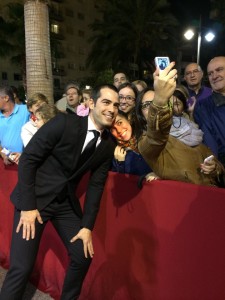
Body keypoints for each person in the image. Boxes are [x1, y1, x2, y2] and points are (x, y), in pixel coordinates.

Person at [0, 84, 120, 300]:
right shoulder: (64, 122)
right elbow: (28, 159)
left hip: (64, 203)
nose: (112, 108)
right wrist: (28, 207)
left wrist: (86, 227)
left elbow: (96, 185)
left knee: (82, 255)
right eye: (106, 102)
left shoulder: (108, 143)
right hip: (34, 198)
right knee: (21, 267)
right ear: (92, 103)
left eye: (116, 105)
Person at [136, 62, 224, 186]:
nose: (152, 107)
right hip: (182, 201)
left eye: (155, 102)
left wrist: (214, 168)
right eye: (146, 105)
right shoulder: (147, 142)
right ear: (140, 114)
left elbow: (216, 165)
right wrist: (160, 98)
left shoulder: (190, 129)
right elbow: (156, 134)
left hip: (209, 196)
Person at [194, 56, 225, 166]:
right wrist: (213, 164)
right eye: (210, 73)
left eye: (219, 70)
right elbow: (209, 140)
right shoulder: (203, 106)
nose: (214, 76)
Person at [110, 110, 154, 179]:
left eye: (119, 123)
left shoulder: (149, 138)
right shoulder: (115, 153)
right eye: (112, 129)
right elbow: (120, 183)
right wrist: (120, 163)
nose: (118, 130)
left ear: (128, 120)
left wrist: (158, 173)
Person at [0, 85, 30, 165]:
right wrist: (4, 155)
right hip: (6, 163)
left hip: (26, 162)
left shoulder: (26, 110)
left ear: (6, 98)